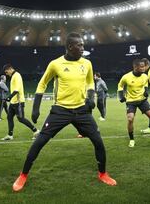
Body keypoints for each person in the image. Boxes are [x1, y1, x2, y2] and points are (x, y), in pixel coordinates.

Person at [12, 32, 116, 192]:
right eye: (79, 45)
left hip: (82, 110)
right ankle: (23, 175)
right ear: (69, 47)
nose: (83, 48)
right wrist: (35, 108)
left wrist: (90, 97)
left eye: (83, 44)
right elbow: (42, 84)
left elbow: (89, 82)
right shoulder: (55, 64)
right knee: (39, 141)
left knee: (98, 141)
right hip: (60, 110)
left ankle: (103, 174)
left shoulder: (87, 63)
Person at [118, 59, 150, 148]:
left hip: (142, 100)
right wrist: (121, 96)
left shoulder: (145, 76)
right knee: (130, 119)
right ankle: (132, 140)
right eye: (141, 66)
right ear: (135, 67)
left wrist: (145, 91)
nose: (143, 68)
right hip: (131, 101)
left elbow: (145, 84)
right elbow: (120, 85)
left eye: (144, 66)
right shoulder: (126, 77)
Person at [0, 64, 40, 140]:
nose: (6, 74)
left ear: (10, 69)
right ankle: (10, 135)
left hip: (18, 102)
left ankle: (36, 131)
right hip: (13, 102)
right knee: (9, 117)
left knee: (21, 119)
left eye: (6, 72)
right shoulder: (13, 76)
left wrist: (9, 97)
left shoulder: (17, 75)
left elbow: (17, 89)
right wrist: (10, 99)